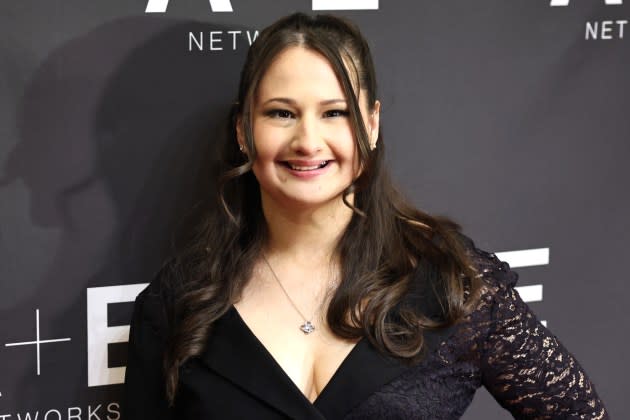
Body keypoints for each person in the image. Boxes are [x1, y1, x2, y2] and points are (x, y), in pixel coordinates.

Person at [122, 12, 608, 419]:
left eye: (335, 113)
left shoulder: (452, 281)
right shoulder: (181, 303)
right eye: (281, 113)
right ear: (244, 130)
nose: (308, 142)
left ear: (371, 124)